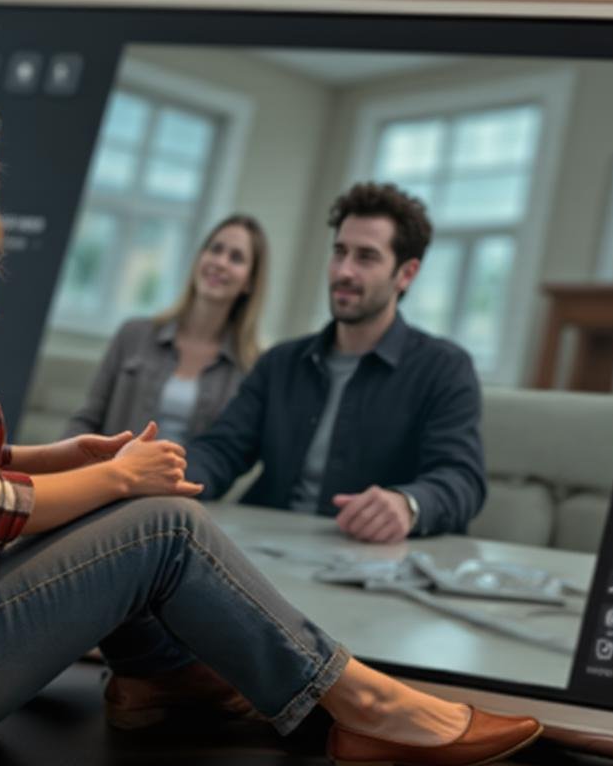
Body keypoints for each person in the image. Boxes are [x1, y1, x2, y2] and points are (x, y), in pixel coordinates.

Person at [0, 58, 535, 766]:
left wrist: (75, 462)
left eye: (367, 257)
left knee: (141, 511)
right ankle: (363, 706)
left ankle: (154, 679)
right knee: (163, 527)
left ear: (408, 274)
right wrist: (120, 479)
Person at [185, 182, 486, 542]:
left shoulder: (445, 369)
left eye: (366, 257)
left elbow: (462, 479)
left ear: (406, 274)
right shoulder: (281, 362)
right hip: (263, 550)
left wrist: (409, 504)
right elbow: (221, 451)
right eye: (339, 252)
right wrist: (163, 475)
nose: (344, 271)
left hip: (368, 559)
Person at [66, 214, 269, 449]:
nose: (221, 262)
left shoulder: (250, 367)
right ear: (199, 258)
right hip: (107, 481)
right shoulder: (133, 335)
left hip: (185, 485)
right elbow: (87, 419)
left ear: (250, 282)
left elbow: (230, 454)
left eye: (236, 258)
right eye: (215, 249)